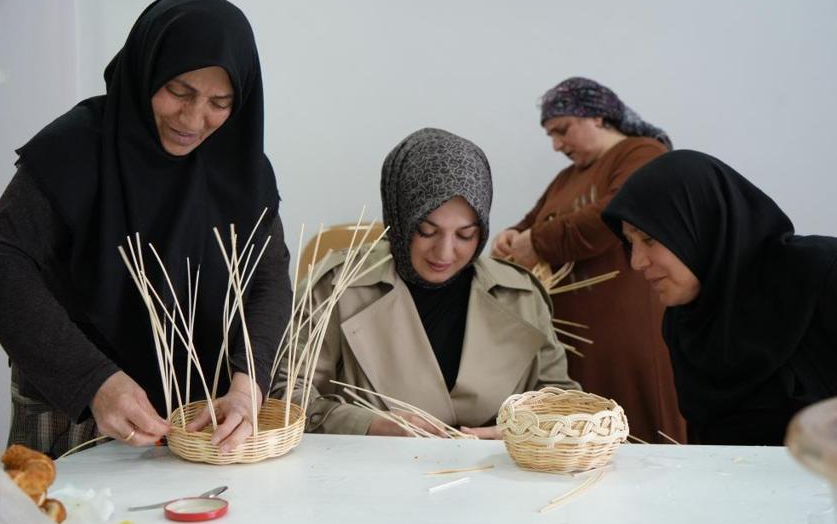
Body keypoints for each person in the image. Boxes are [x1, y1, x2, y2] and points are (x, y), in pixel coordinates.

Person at [0, 0, 292, 457]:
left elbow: (267, 278)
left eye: (220, 101)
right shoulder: (76, 147)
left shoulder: (242, 168)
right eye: (179, 92)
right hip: (76, 412)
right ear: (147, 68)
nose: (194, 119)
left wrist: (249, 383)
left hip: (202, 415)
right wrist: (94, 381)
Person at [277, 128, 577, 438]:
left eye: (465, 235)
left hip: (496, 474)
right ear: (400, 217)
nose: (445, 252)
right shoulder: (338, 285)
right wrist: (368, 425)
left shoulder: (521, 294)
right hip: (366, 474)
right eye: (426, 230)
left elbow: (561, 402)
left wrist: (516, 433)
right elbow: (286, 394)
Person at [491, 77, 686, 443]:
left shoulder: (642, 153)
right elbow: (533, 221)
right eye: (550, 135)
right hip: (577, 339)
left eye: (562, 130)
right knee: (587, 437)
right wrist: (509, 238)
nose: (556, 145)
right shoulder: (567, 177)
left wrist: (535, 241)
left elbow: (610, 216)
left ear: (597, 117)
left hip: (626, 330)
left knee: (641, 429)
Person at [602, 150, 837, 446]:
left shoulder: (820, 275)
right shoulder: (685, 321)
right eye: (630, 243)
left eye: (649, 239)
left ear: (701, 223)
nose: (637, 262)